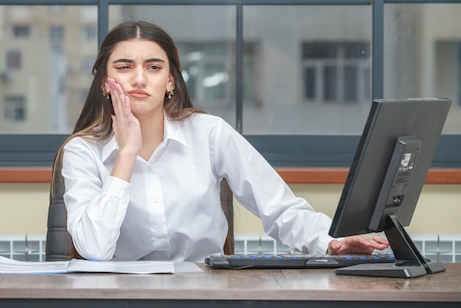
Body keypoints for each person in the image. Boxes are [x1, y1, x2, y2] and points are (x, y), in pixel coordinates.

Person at [56, 20, 388, 262]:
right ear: (104, 83)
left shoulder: (209, 133)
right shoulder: (82, 151)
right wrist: (126, 153)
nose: (139, 79)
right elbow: (94, 249)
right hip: (118, 299)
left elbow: (280, 208)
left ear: (170, 82)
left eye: (154, 67)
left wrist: (332, 241)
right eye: (125, 67)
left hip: (204, 295)